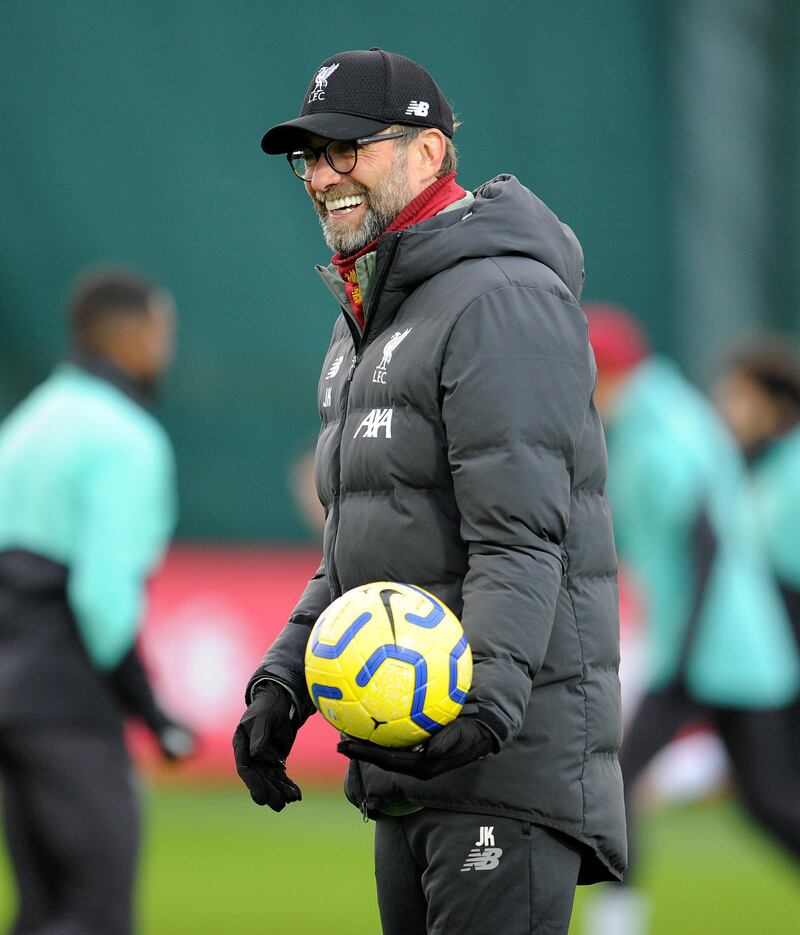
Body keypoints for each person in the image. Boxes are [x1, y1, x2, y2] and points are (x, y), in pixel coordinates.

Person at [233, 48, 625, 934]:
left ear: (430, 151)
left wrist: (483, 709)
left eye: (349, 149)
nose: (322, 175)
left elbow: (522, 537)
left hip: (498, 763)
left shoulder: (502, 298)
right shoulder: (365, 322)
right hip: (411, 766)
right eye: (310, 156)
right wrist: (281, 684)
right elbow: (354, 549)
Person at [583, 304, 800, 935]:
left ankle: (617, 919)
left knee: (615, 779)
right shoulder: (663, 415)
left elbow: (704, 541)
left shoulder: (657, 432)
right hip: (732, 648)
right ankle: (617, 916)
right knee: (767, 803)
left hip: (709, 644)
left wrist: (685, 651)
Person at [0, 268, 194, 935]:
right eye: (162, 331)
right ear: (134, 335)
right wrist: (151, 708)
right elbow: (101, 597)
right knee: (98, 911)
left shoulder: (28, 423)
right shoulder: (126, 438)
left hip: (12, 703)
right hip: (70, 705)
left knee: (43, 908)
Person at [714, 337, 800, 761]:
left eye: (740, 397)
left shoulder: (789, 473)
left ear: (775, 404)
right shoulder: (757, 468)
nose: (728, 410)